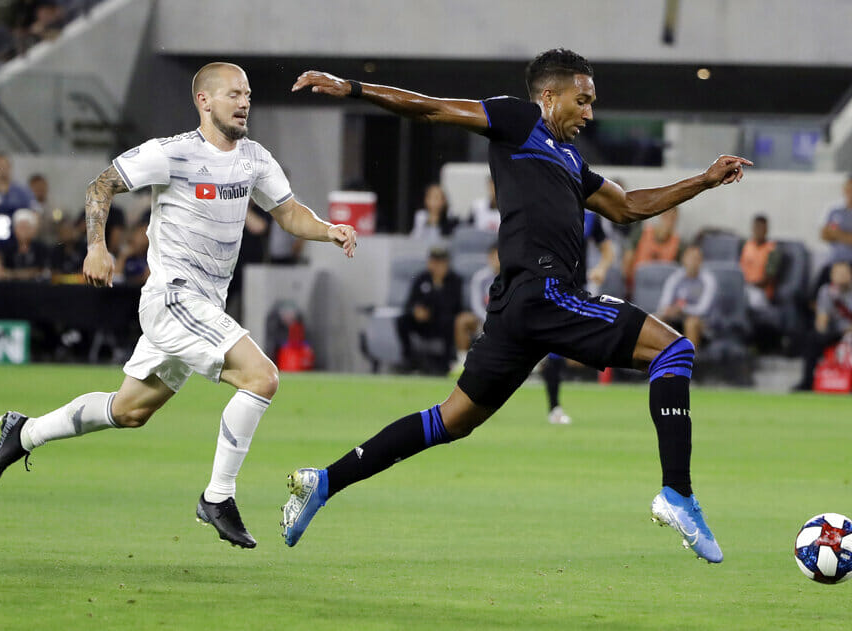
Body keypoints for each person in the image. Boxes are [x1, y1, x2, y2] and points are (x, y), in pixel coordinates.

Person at [281, 49, 751, 563]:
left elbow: (628, 206)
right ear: (549, 96)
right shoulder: (519, 119)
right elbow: (432, 107)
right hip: (545, 293)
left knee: (451, 420)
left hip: (518, 309)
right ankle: (677, 493)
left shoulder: (572, 162)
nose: (590, 113)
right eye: (583, 100)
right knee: (675, 351)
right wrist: (352, 87)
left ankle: (324, 481)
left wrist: (703, 181)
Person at [0, 62, 358, 551]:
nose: (244, 102)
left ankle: (25, 431)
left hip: (204, 305)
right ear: (204, 101)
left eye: (247, 94)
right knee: (262, 377)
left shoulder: (254, 158)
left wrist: (326, 229)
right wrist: (96, 246)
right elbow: (101, 186)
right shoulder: (173, 153)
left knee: (129, 410)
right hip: (173, 299)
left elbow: (287, 212)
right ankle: (217, 497)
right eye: (232, 94)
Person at [542, 209, 617, 425]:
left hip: (576, 291)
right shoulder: (547, 209)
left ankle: (555, 406)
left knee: (566, 347)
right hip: (551, 287)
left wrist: (601, 268)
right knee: (556, 349)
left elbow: (607, 250)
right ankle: (554, 406)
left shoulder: (590, 216)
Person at [792, 261, 852, 392]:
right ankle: (807, 382)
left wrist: (846, 332)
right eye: (838, 273)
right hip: (836, 332)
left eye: (844, 273)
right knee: (812, 338)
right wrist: (822, 332)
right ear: (831, 276)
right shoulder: (826, 291)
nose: (841, 276)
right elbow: (821, 319)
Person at [396, 245, 465, 374]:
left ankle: (445, 364)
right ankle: (408, 360)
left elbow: (456, 306)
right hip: (423, 321)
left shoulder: (455, 280)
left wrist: (438, 285)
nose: (436, 266)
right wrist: (415, 311)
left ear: (446, 263)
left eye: (440, 262)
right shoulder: (421, 278)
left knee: (449, 321)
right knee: (402, 320)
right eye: (434, 262)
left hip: (443, 321)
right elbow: (409, 303)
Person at [0, 152, 36, 278]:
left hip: (19, 248)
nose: (3, 169)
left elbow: (35, 218)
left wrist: (27, 244)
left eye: (5, 166)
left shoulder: (22, 193)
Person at [655, 244, 716, 350]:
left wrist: (682, 309)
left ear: (701, 262)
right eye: (690, 258)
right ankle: (656, 361)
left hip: (701, 323)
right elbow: (663, 304)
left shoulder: (708, 280)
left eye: (696, 259)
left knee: (691, 323)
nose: (693, 262)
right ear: (683, 259)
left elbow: (703, 309)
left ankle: (688, 362)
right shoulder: (675, 278)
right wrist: (669, 310)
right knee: (655, 319)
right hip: (677, 319)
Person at [450, 243, 499, 375]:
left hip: (505, 321)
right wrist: (488, 319)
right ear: (489, 257)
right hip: (483, 320)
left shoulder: (511, 278)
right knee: (462, 320)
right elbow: (476, 304)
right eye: (494, 256)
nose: (497, 260)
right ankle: (462, 361)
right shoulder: (480, 277)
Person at [814, 174, 852, 293]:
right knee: (815, 293)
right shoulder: (834, 210)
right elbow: (824, 235)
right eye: (848, 188)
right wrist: (847, 235)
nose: (851, 192)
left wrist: (836, 234)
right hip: (833, 261)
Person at [621, 207, 679, 294]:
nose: (669, 221)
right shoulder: (642, 233)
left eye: (673, 219)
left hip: (659, 290)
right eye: (666, 216)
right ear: (661, 216)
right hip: (635, 285)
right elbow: (627, 259)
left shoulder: (678, 245)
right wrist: (626, 286)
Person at [739, 214, 780, 310]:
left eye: (762, 228)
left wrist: (748, 285)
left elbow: (769, 278)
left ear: (766, 230)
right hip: (742, 288)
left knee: (748, 300)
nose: (759, 231)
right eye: (757, 227)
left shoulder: (772, 250)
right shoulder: (746, 246)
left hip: (760, 292)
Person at [2, 208, 49, 280]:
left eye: (26, 227)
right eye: (20, 227)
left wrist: (12, 274)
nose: (23, 231)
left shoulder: (41, 248)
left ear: (33, 230)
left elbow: (40, 271)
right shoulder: (8, 249)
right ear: (14, 230)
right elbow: (2, 272)